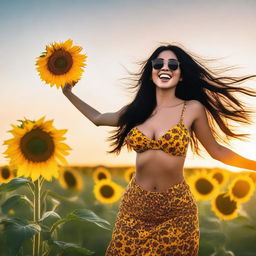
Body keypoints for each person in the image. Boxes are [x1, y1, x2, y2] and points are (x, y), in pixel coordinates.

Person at [62, 44, 256, 256]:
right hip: (135, 208)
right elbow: (98, 119)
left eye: (173, 64)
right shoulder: (135, 110)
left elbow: (218, 151)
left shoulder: (192, 109)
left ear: (181, 75)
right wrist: (67, 93)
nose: (165, 67)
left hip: (177, 211)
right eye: (159, 63)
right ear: (151, 72)